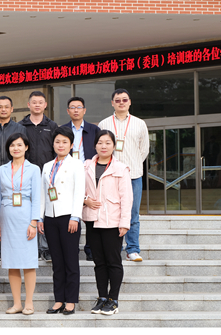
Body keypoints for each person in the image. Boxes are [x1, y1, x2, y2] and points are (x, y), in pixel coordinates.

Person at [82, 131, 132, 316]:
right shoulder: (86, 166)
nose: (104, 146)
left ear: (114, 146)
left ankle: (113, 300)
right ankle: (102, 297)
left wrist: (124, 222)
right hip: (92, 220)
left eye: (108, 142)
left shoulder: (121, 168)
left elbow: (127, 197)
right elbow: (78, 189)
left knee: (113, 261)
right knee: (99, 262)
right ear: (95, 145)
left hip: (113, 221)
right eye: (100, 142)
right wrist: (85, 200)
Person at [97, 88, 149, 262]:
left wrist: (130, 165)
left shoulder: (140, 124)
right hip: (110, 175)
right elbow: (100, 148)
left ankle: (132, 249)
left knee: (132, 214)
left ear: (130, 102)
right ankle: (114, 249)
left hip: (133, 175)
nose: (121, 103)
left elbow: (144, 150)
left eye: (124, 100)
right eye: (117, 100)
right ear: (112, 103)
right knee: (112, 213)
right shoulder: (104, 124)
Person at [38, 126, 85, 315]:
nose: (60, 145)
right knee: (57, 262)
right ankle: (59, 299)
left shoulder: (77, 164)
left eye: (65, 142)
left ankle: (71, 300)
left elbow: (79, 191)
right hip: (50, 217)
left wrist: (75, 216)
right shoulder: (47, 166)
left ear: (71, 145)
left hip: (68, 217)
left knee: (71, 261)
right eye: (57, 141)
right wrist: (40, 217)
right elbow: (43, 193)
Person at [0, 132, 41, 316]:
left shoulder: (34, 169)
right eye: (12, 145)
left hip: (26, 216)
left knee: (28, 262)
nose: (16, 148)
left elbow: (37, 197)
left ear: (26, 147)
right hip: (7, 217)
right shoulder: (1, 169)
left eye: (20, 145)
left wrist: (34, 222)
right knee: (12, 262)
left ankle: (29, 302)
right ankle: (16, 303)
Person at [19, 91, 58, 262]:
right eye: (34, 102)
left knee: (46, 210)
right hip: (26, 175)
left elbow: (57, 149)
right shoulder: (21, 126)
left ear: (45, 105)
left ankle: (46, 248)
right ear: (29, 105)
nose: (37, 105)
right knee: (30, 210)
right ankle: (31, 246)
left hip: (47, 175)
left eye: (40, 102)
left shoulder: (52, 126)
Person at [63, 96, 101, 261]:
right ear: (68, 111)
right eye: (72, 107)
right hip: (68, 172)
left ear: (84, 110)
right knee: (70, 208)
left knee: (90, 210)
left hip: (89, 173)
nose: (76, 110)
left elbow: (101, 149)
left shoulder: (94, 129)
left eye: (79, 107)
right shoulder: (63, 129)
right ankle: (72, 248)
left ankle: (90, 249)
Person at [0, 96, 26, 170]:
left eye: (6, 107)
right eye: (0, 107)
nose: (3, 109)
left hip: (15, 170)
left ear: (11, 109)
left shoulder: (20, 129)